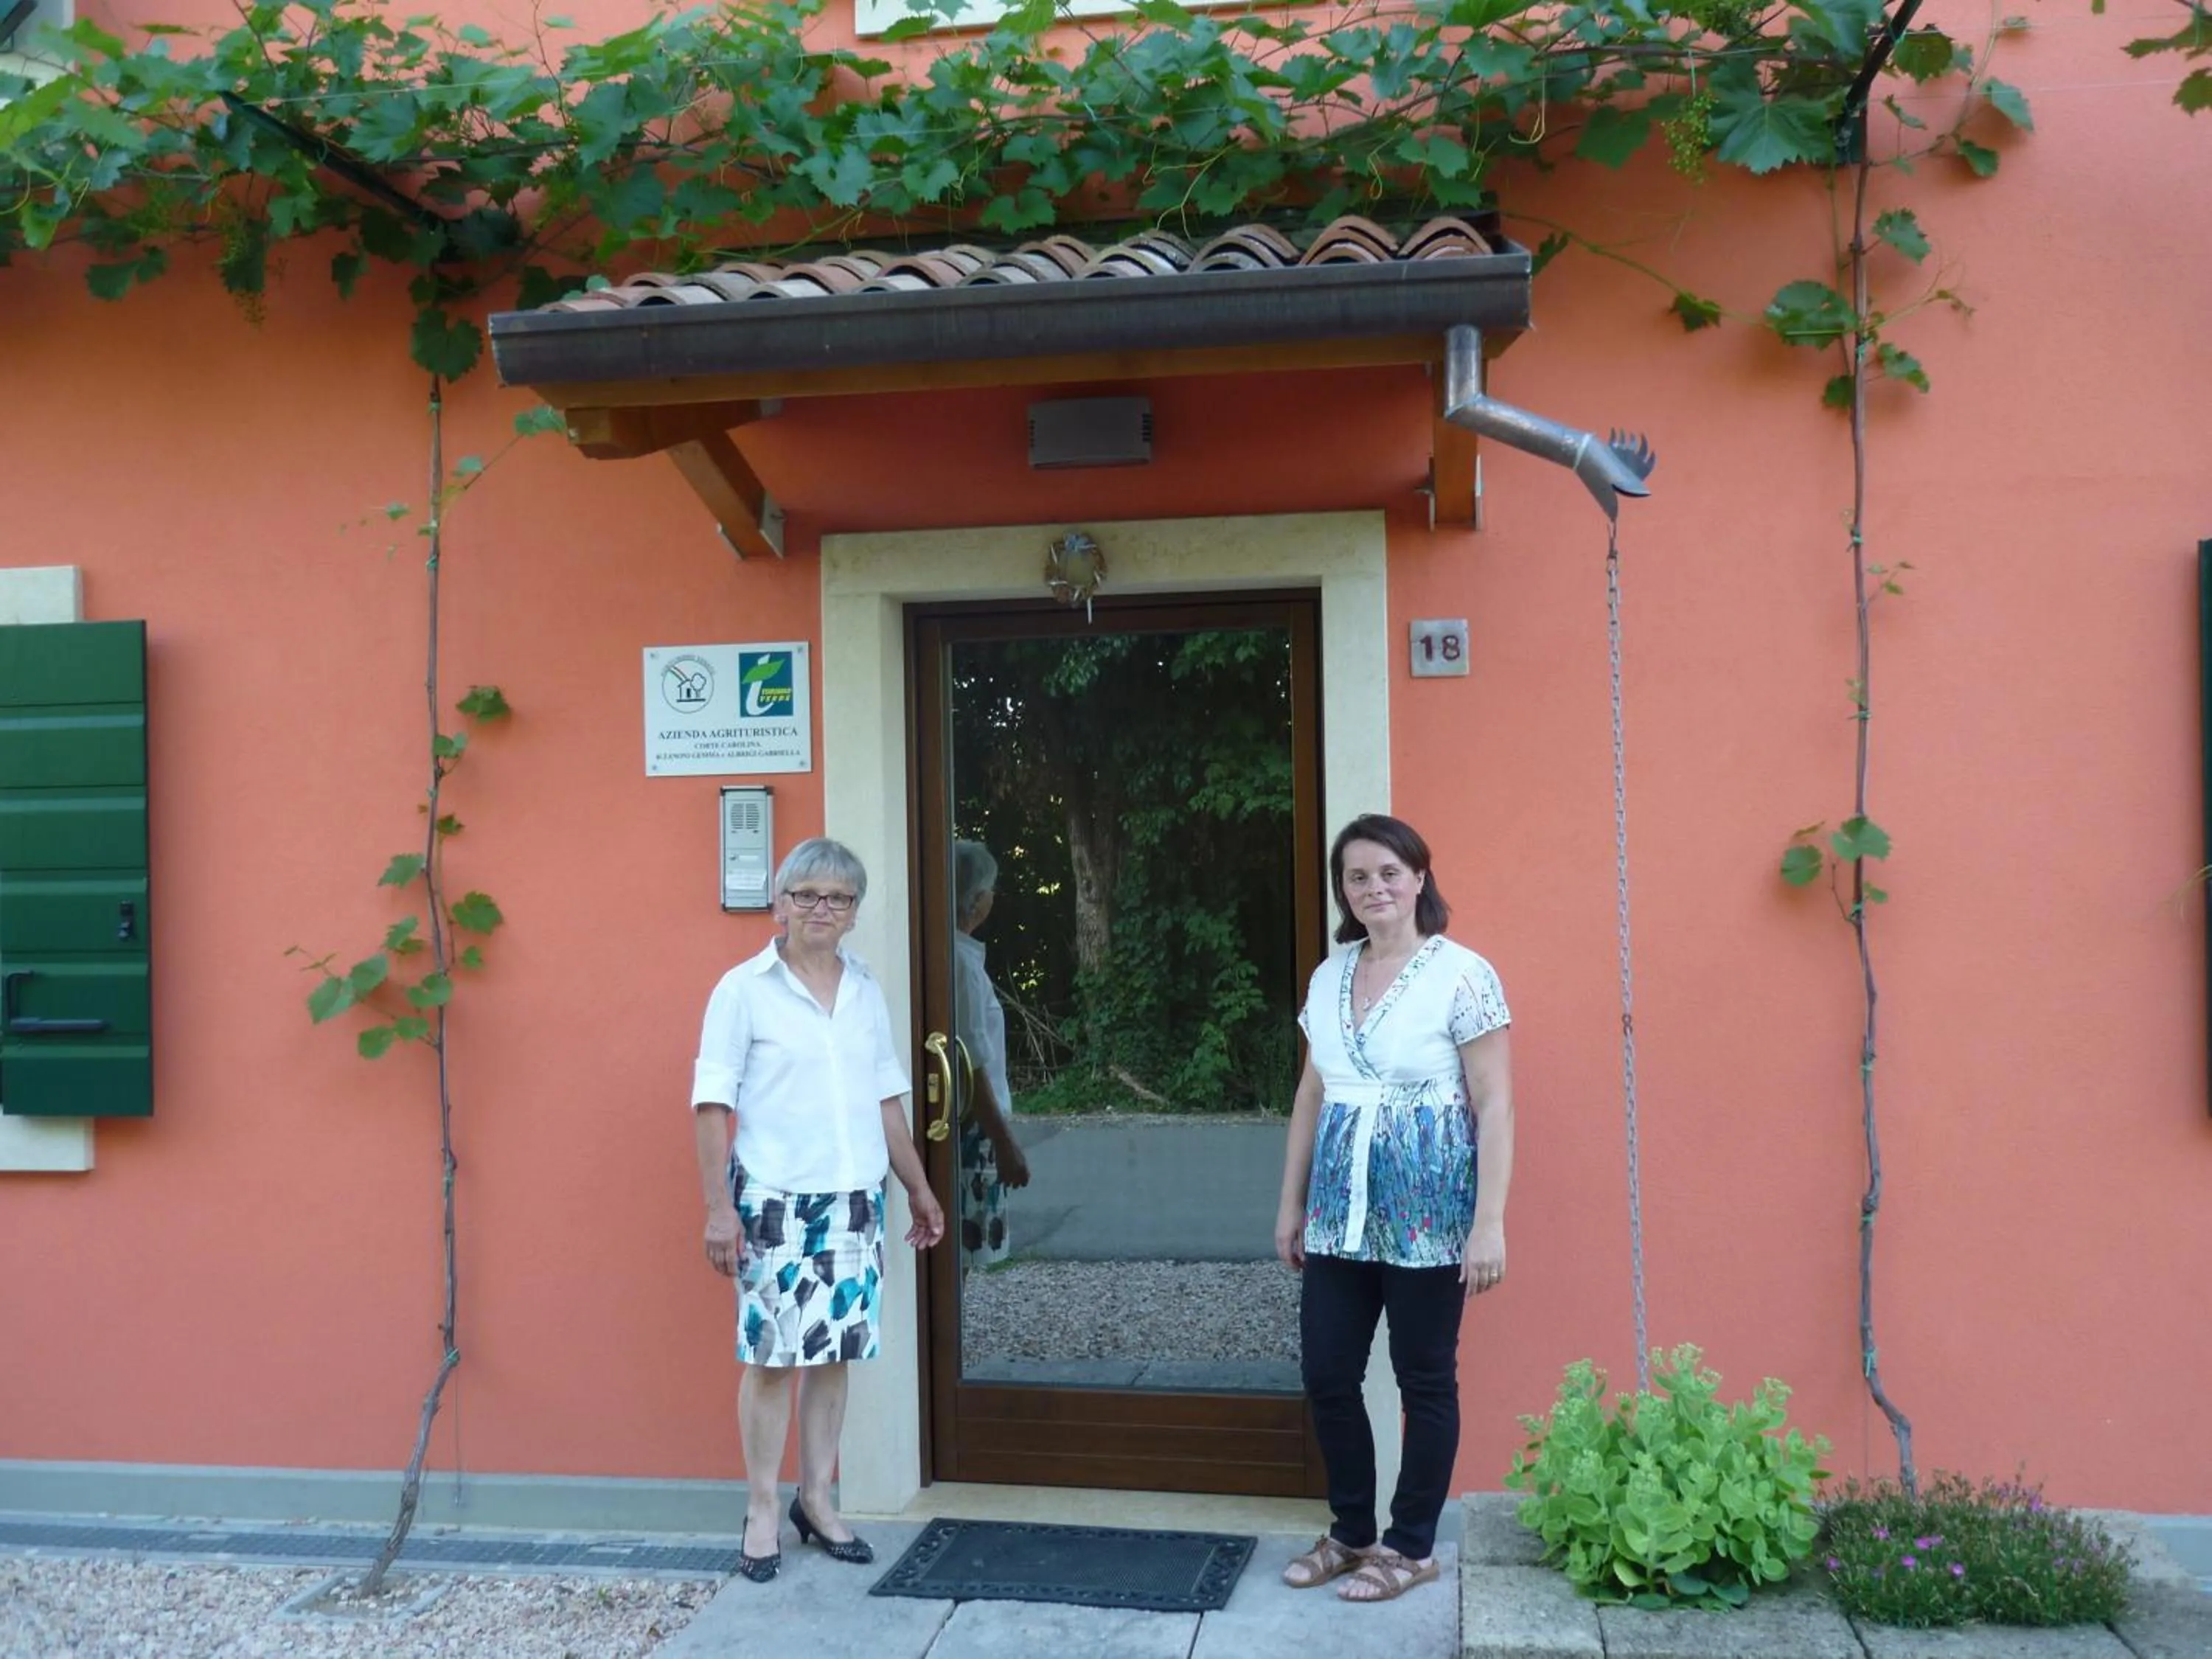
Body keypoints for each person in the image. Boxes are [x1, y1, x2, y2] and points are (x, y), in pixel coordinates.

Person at [1273, 813, 1514, 1604]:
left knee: (1424, 1379)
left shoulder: (1463, 974)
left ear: (1419, 878)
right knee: (1329, 1373)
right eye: (1357, 877)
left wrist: (1489, 1222)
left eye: (1388, 872)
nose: (1373, 887)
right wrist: (1291, 1206)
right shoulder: (1329, 975)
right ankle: (1351, 1533)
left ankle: (1411, 1546)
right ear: (1344, 891)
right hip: (1339, 1214)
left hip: (1429, 1217)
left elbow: (1495, 1103)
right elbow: (1311, 1092)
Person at [692, 838, 945, 1584]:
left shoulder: (866, 990)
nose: (820, 909)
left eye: (837, 897)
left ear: (855, 912)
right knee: (773, 1360)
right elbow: (712, 1105)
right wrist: (718, 1210)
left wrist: (920, 1189)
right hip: (772, 1201)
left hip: (854, 1200)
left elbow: (887, 1101)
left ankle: (819, 1500)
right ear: (780, 903)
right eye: (806, 895)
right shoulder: (742, 991)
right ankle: (763, 1509)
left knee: (835, 1354)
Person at [950, 839, 1031, 1270]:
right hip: (974, 1126)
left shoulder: (959, 956)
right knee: (961, 1248)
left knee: (961, 1247)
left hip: (974, 1123)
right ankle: (946, 1336)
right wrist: (1005, 1143)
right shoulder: (960, 965)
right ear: (977, 899)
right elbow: (970, 1063)